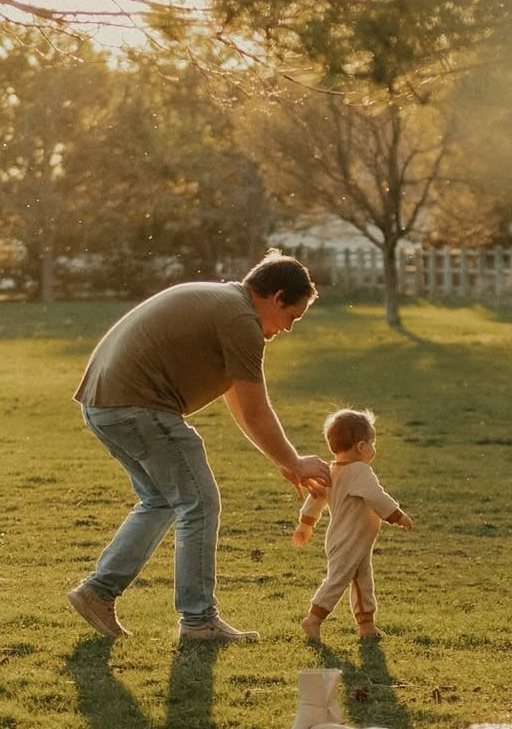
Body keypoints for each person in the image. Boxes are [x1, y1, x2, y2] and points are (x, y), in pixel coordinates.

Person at [68, 250, 331, 644]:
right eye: (292, 316)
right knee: (199, 503)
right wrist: (294, 459)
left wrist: (284, 461)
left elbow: (239, 403)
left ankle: (98, 592)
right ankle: (199, 621)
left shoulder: (224, 303)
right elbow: (257, 412)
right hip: (137, 405)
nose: (288, 328)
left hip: (103, 406)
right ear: (277, 297)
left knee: (161, 500)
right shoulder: (241, 320)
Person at [294, 408, 413, 642]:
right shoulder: (361, 471)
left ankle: (366, 625)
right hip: (349, 540)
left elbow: (315, 497)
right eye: (373, 442)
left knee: (362, 581)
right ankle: (313, 620)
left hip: (349, 539)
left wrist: (305, 524)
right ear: (361, 446)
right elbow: (375, 496)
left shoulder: (330, 471)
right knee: (338, 580)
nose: (373, 447)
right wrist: (397, 515)